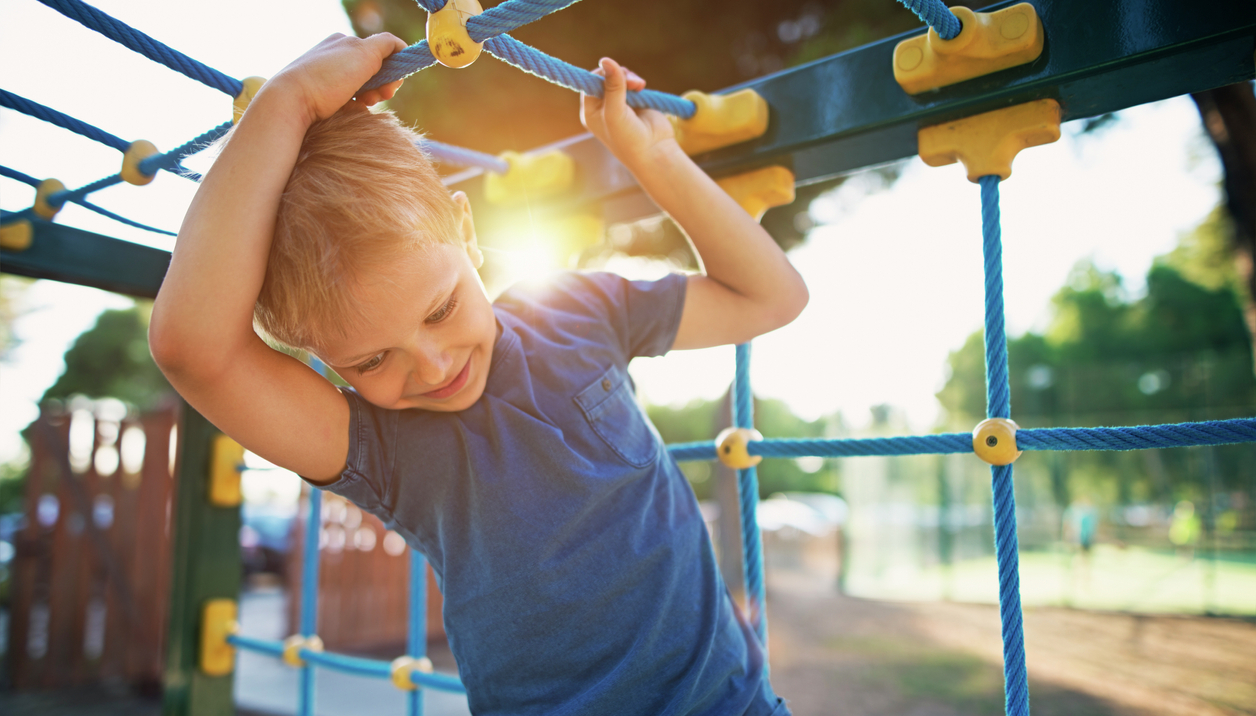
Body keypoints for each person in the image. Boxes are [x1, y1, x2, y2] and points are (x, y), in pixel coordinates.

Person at [150, 32, 807, 716]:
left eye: (440, 309)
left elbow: (771, 298)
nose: (431, 367)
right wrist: (287, 102)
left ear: (466, 232)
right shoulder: (385, 451)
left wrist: (656, 156)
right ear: (323, 359)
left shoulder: (576, 312)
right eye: (370, 360)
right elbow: (194, 349)